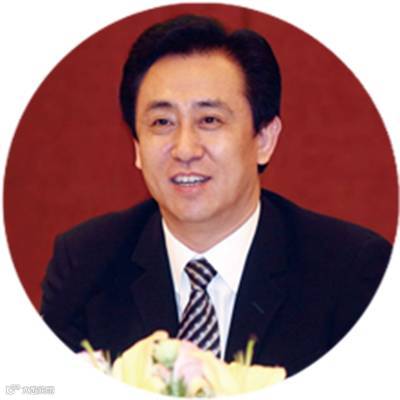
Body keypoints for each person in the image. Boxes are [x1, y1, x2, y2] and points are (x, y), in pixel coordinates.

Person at [41, 14, 391, 377]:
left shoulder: (351, 271)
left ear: (264, 139)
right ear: (137, 147)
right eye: (162, 122)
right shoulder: (85, 265)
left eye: (209, 120)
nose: (185, 149)